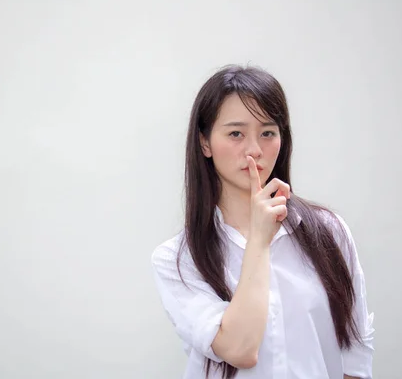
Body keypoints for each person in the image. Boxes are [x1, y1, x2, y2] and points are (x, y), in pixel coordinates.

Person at [151, 65, 375, 379]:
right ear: (205, 143)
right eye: (235, 134)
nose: (255, 150)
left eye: (267, 133)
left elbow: (356, 355)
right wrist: (258, 239)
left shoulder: (329, 232)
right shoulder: (177, 258)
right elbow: (240, 349)